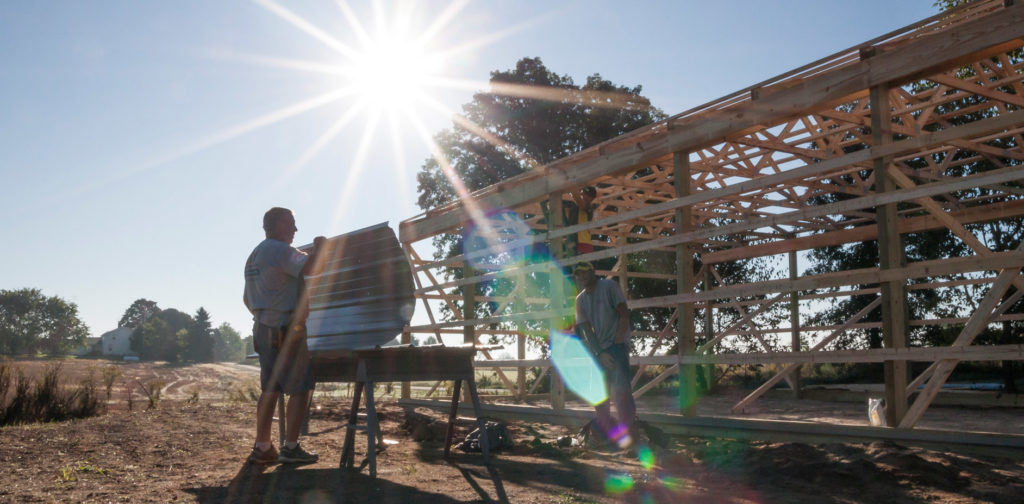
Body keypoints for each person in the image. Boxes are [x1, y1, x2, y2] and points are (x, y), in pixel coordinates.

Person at [243, 207, 326, 464]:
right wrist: (321, 248)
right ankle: (290, 447)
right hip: (285, 331)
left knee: (270, 389)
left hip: (263, 329)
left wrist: (267, 314)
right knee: (301, 388)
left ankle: (263, 447)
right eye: (291, 223)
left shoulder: (255, 255)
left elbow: (247, 299)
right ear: (277, 225)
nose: (295, 229)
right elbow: (310, 267)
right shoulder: (279, 250)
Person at [572, 261, 636, 448]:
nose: (582, 277)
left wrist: (616, 346)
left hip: (617, 346)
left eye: (585, 273)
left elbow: (624, 315)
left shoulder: (609, 286)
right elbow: (586, 329)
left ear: (593, 273)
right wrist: (599, 353)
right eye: (579, 275)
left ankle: (630, 434)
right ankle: (604, 434)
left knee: (621, 391)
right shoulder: (580, 299)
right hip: (599, 349)